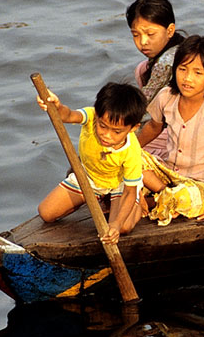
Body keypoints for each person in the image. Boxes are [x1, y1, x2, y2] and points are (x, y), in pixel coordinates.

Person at [125, 0, 204, 159]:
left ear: (170, 30)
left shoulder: (167, 63)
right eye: (136, 35)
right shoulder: (185, 49)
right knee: (142, 69)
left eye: (150, 34)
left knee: (129, 144)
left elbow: (142, 110)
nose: (143, 41)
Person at [138, 35, 204, 226]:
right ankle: (160, 194)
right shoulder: (167, 96)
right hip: (168, 172)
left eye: (197, 73)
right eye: (182, 69)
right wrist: (130, 149)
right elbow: (153, 127)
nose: (187, 78)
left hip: (199, 183)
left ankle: (148, 200)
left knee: (185, 198)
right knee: (128, 158)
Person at [36, 82, 147, 244]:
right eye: (103, 126)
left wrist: (116, 224)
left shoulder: (131, 151)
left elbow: (129, 192)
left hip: (119, 184)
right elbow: (67, 115)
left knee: (123, 227)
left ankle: (137, 203)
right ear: (97, 116)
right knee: (46, 213)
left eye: (116, 132)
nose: (107, 135)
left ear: (133, 128)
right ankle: (94, 198)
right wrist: (56, 106)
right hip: (88, 177)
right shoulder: (91, 117)